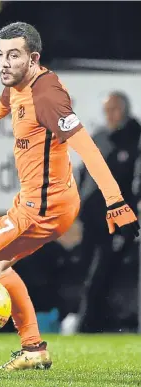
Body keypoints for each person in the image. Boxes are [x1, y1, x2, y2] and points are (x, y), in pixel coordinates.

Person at [0, 21, 140, 371]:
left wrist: (115, 200)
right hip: (36, 201)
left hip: (44, 208)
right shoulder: (19, 85)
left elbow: (88, 148)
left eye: (13, 55)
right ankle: (32, 348)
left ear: (33, 57)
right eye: (0, 55)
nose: (4, 63)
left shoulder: (46, 95)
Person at [73, 91, 141, 333]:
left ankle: (86, 325)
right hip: (92, 221)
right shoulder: (100, 137)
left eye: (114, 110)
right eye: (107, 110)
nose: (109, 115)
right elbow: (84, 173)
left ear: (125, 110)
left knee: (100, 274)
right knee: (88, 272)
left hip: (118, 223)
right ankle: (96, 323)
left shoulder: (135, 138)